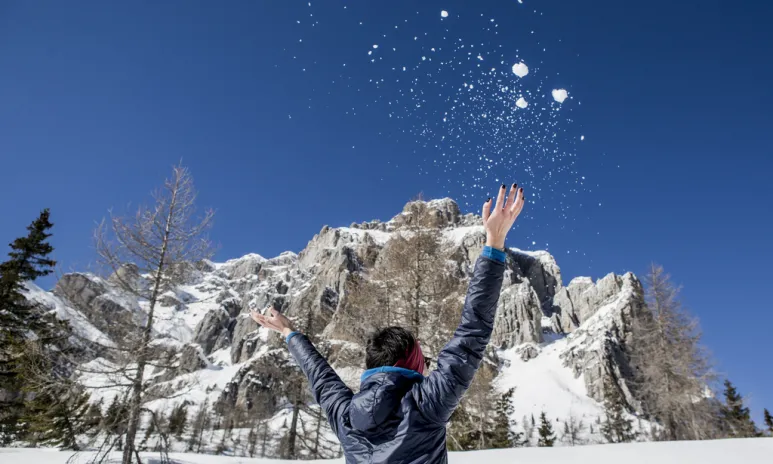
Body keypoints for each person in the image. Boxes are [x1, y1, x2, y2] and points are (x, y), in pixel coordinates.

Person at [251, 183, 525, 464]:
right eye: (422, 358)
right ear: (411, 363)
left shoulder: (346, 417)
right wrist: (494, 244)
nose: (426, 364)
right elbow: (471, 332)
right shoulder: (426, 405)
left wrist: (289, 332)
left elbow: (321, 378)